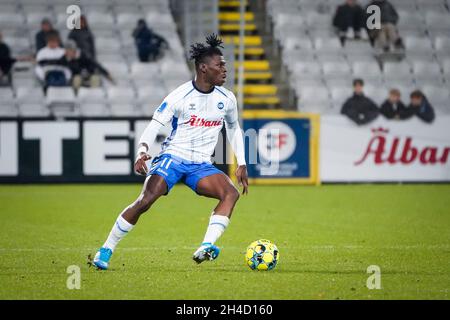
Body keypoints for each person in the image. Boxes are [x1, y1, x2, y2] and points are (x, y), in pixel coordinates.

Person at [92, 34, 248, 270]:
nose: (225, 70)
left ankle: (206, 246)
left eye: (225, 65)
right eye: (220, 65)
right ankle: (106, 249)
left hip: (201, 165)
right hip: (173, 158)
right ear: (203, 68)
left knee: (230, 193)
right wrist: (142, 151)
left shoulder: (227, 99)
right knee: (146, 200)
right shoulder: (180, 96)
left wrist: (242, 162)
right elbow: (155, 125)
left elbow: (234, 128)